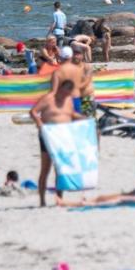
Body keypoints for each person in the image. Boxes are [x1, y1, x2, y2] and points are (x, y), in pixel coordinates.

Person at [30, 78, 86, 207]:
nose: (66, 96)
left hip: (63, 136)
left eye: (69, 93)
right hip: (48, 135)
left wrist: (83, 118)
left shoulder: (68, 100)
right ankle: (42, 201)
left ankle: (59, 199)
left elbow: (71, 114)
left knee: (60, 169)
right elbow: (33, 111)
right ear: (60, 89)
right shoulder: (48, 98)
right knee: (45, 169)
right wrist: (39, 123)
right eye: (65, 92)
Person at [58, 142, 135, 207]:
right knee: (104, 197)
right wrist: (127, 193)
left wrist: (127, 194)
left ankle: (72, 203)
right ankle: (80, 202)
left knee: (116, 199)